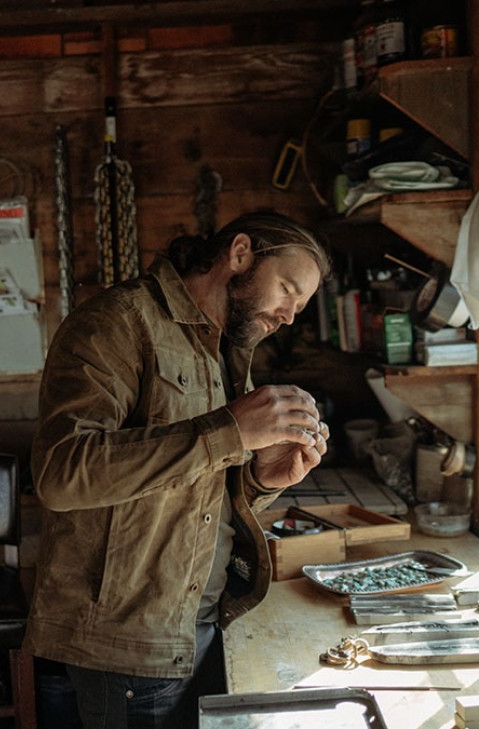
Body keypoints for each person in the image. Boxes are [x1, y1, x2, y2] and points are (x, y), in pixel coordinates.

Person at [24, 211, 333, 729]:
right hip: (123, 643)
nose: (288, 317)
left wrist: (260, 480)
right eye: (286, 290)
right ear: (239, 254)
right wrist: (229, 432)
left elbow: (194, 486)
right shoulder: (119, 321)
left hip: (197, 625)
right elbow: (61, 474)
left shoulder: (227, 350)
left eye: (299, 308)